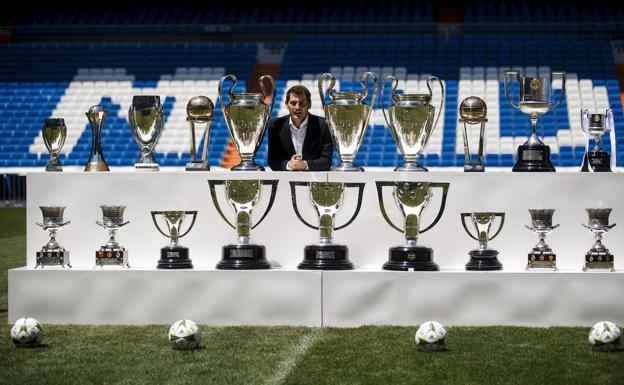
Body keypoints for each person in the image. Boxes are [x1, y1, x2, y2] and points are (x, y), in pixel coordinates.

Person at [267, 85, 333, 171]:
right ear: (286, 104)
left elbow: (326, 161)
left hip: (314, 180)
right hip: (285, 181)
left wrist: (305, 165)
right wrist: (288, 165)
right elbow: (273, 160)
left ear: (309, 105)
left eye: (302, 103)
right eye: (293, 103)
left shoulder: (324, 125)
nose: (297, 107)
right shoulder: (275, 125)